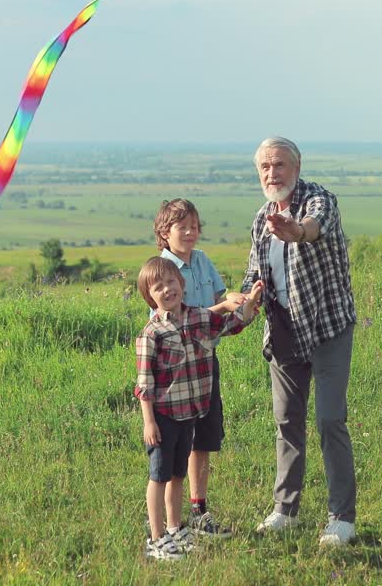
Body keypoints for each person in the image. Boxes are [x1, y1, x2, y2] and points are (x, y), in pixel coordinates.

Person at [241, 136, 359, 547]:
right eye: (265, 168)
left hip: (328, 328)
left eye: (280, 165)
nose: (272, 173)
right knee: (286, 423)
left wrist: (295, 231)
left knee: (329, 420)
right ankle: (285, 511)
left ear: (297, 165)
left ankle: (341, 518)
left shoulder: (318, 200)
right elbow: (254, 276)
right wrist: (247, 300)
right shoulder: (261, 220)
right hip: (285, 333)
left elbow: (313, 229)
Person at [134, 256, 263, 561]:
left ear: (183, 284)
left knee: (179, 473)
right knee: (160, 476)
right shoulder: (150, 335)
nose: (167, 289)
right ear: (149, 297)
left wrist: (250, 303)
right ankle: (156, 537)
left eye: (171, 282)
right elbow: (144, 384)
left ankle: (176, 527)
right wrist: (149, 422)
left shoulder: (197, 318)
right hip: (164, 417)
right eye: (158, 287)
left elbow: (232, 324)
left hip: (189, 414)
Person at [152, 199, 246, 538]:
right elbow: (176, 318)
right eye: (183, 227)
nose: (191, 232)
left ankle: (199, 511)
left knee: (203, 439)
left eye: (195, 225)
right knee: (179, 444)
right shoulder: (162, 270)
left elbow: (220, 301)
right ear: (165, 232)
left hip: (205, 362)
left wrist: (242, 300)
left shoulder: (203, 260)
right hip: (176, 369)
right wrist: (222, 306)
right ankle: (171, 526)